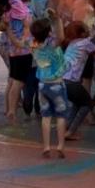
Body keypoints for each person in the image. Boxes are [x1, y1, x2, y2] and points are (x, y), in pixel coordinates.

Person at [31, 14, 69, 159]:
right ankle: (60, 145)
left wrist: (9, 29)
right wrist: (57, 19)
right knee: (60, 116)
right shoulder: (52, 45)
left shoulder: (34, 46)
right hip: (57, 85)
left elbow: (17, 42)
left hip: (42, 85)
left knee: (45, 116)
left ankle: (46, 146)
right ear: (48, 33)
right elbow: (61, 37)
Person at [62, 22, 95, 141]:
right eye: (86, 29)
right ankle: (70, 132)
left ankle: (66, 127)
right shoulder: (86, 43)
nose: (88, 30)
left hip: (63, 80)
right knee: (87, 104)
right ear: (82, 33)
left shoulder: (72, 43)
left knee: (77, 104)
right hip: (72, 82)